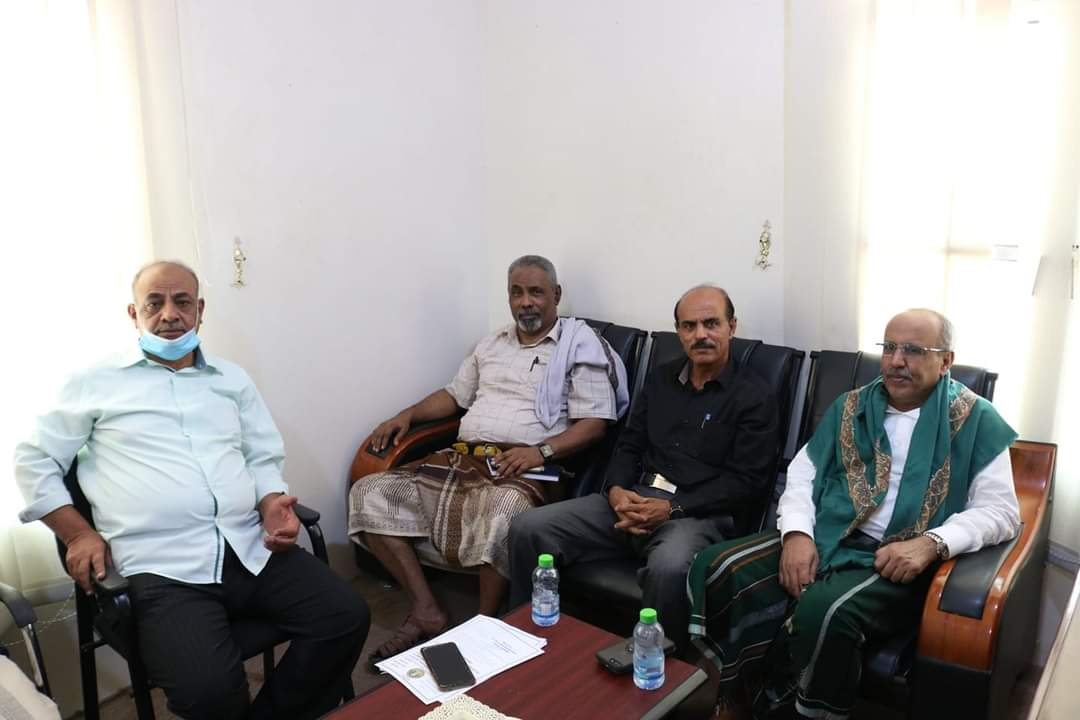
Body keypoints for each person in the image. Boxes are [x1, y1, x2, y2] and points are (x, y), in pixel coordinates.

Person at [15, 261, 370, 720]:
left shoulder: (231, 379)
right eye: (154, 303)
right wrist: (78, 534)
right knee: (209, 695)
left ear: (200, 310)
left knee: (345, 617)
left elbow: (262, 455)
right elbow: (35, 460)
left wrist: (270, 502)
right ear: (134, 314)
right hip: (162, 566)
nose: (169, 314)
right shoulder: (94, 382)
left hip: (248, 546)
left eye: (182, 302)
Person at [688, 309, 1020, 720]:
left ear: (946, 361)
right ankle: (737, 692)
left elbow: (1001, 510)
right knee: (716, 566)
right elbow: (803, 475)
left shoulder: (974, 418)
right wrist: (797, 535)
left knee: (825, 612)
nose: (896, 361)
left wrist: (932, 543)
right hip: (827, 534)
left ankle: (798, 711)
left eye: (913, 350)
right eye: (890, 347)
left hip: (896, 559)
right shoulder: (850, 406)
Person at [348, 254, 628, 661]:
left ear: (556, 295)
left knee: (503, 508)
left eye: (536, 292)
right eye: (517, 292)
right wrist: (406, 416)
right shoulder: (491, 344)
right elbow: (454, 396)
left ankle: (483, 625)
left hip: (530, 466)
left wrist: (539, 451)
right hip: (463, 458)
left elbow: (594, 424)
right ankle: (426, 610)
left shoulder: (578, 346)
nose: (526, 302)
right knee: (370, 491)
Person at [508, 285, 779, 651]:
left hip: (696, 515)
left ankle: (666, 669)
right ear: (679, 332)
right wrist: (616, 491)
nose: (700, 335)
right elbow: (629, 445)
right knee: (528, 527)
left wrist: (672, 508)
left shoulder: (754, 396)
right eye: (689, 326)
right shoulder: (661, 379)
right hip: (632, 500)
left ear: (732, 327)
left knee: (669, 566)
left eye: (711, 323)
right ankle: (525, 638)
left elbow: (747, 482)